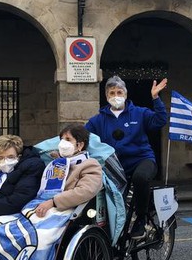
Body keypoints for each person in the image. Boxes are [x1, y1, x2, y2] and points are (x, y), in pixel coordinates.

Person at [85, 75, 168, 239]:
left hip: (141, 159)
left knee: (141, 178)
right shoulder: (97, 120)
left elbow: (159, 121)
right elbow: (83, 137)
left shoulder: (139, 113)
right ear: (107, 96)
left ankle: (141, 221)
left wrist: (156, 98)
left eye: (119, 92)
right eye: (112, 93)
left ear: (126, 94)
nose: (116, 96)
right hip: (114, 165)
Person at [34, 124, 103, 217]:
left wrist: (53, 202)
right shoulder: (55, 163)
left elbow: (85, 191)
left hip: (68, 211)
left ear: (80, 145)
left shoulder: (90, 164)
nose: (62, 143)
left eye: (68, 139)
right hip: (44, 204)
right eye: (61, 139)